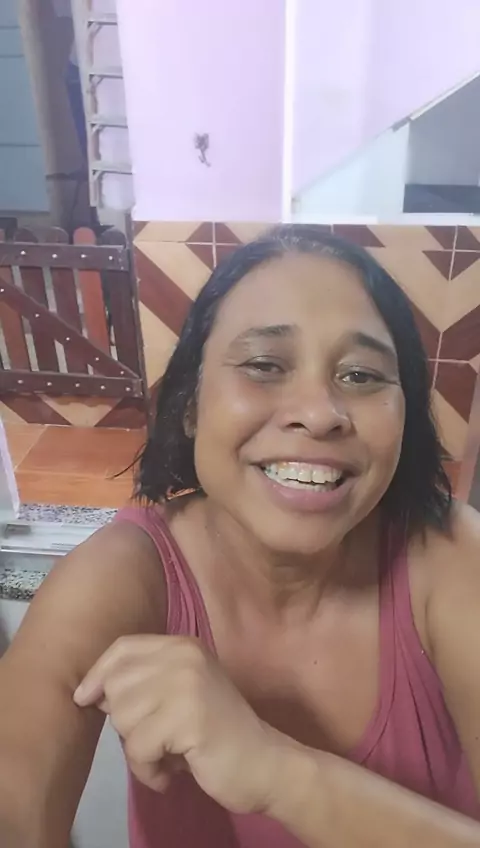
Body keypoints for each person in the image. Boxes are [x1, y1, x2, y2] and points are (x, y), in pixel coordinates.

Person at [0, 225, 479, 848]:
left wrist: (276, 773)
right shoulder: (124, 574)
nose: (320, 413)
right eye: (264, 366)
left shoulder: (451, 555)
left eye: (362, 375)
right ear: (190, 405)